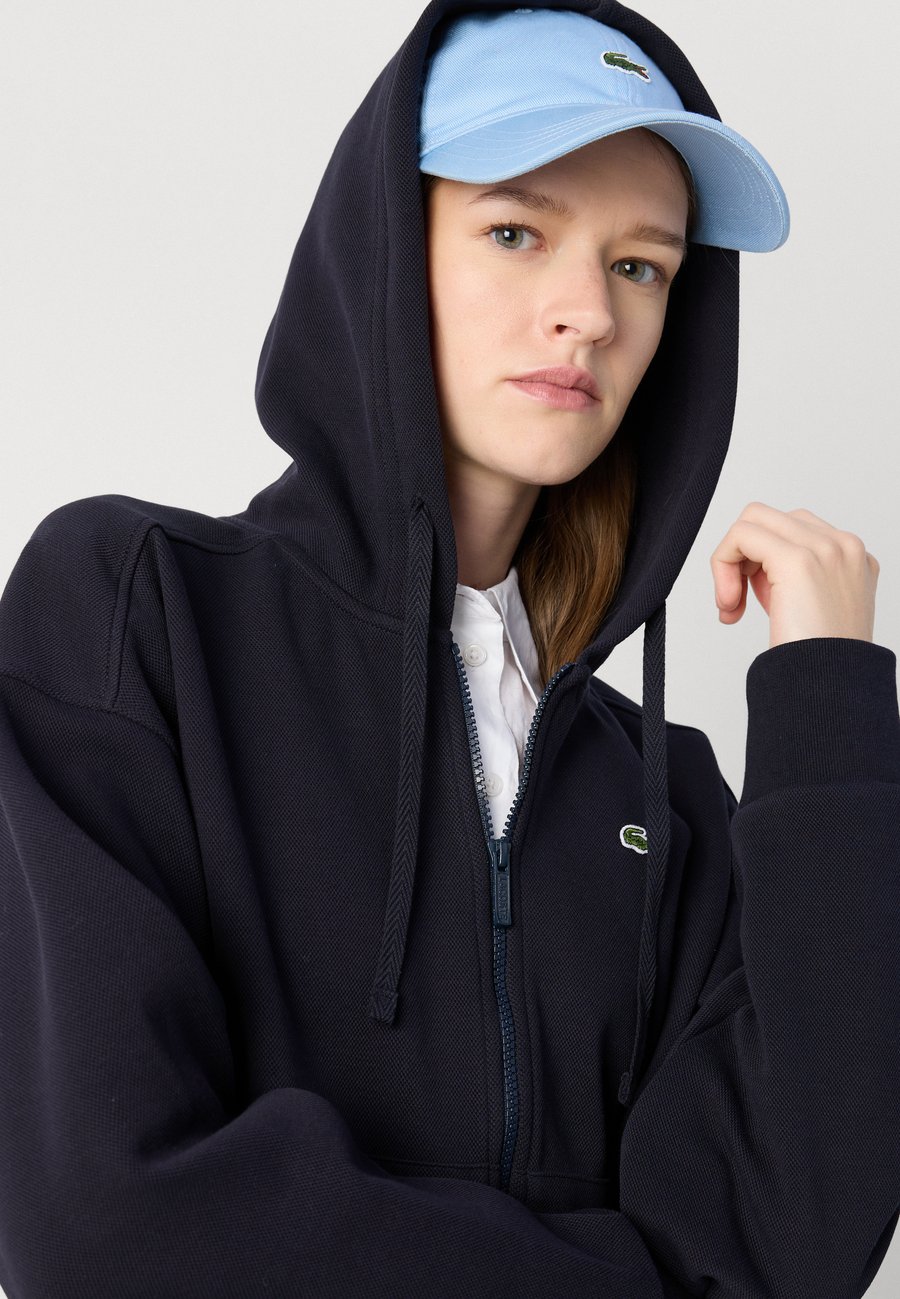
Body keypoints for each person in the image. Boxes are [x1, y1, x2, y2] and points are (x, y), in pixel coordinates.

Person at [0, 2, 896, 1296]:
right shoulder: (135, 611)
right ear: (382, 249)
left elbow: (795, 1244)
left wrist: (829, 706)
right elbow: (105, 1227)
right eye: (516, 231)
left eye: (642, 266)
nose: (588, 313)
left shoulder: (670, 802)